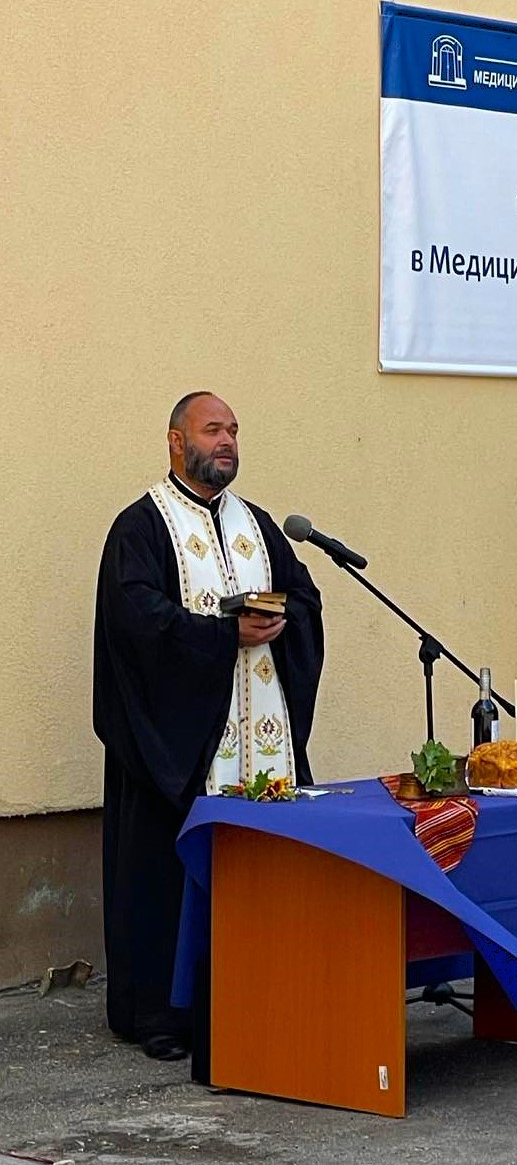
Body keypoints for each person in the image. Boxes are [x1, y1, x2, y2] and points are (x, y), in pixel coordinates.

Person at [93, 391, 325, 1060]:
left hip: (261, 746)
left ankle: (257, 995)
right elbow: (137, 622)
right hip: (178, 749)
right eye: (212, 430)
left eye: (233, 431)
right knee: (169, 881)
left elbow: (303, 596)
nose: (226, 442)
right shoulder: (141, 527)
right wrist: (224, 635)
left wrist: (283, 620)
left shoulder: (258, 525)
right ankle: (164, 1016)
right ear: (176, 440)